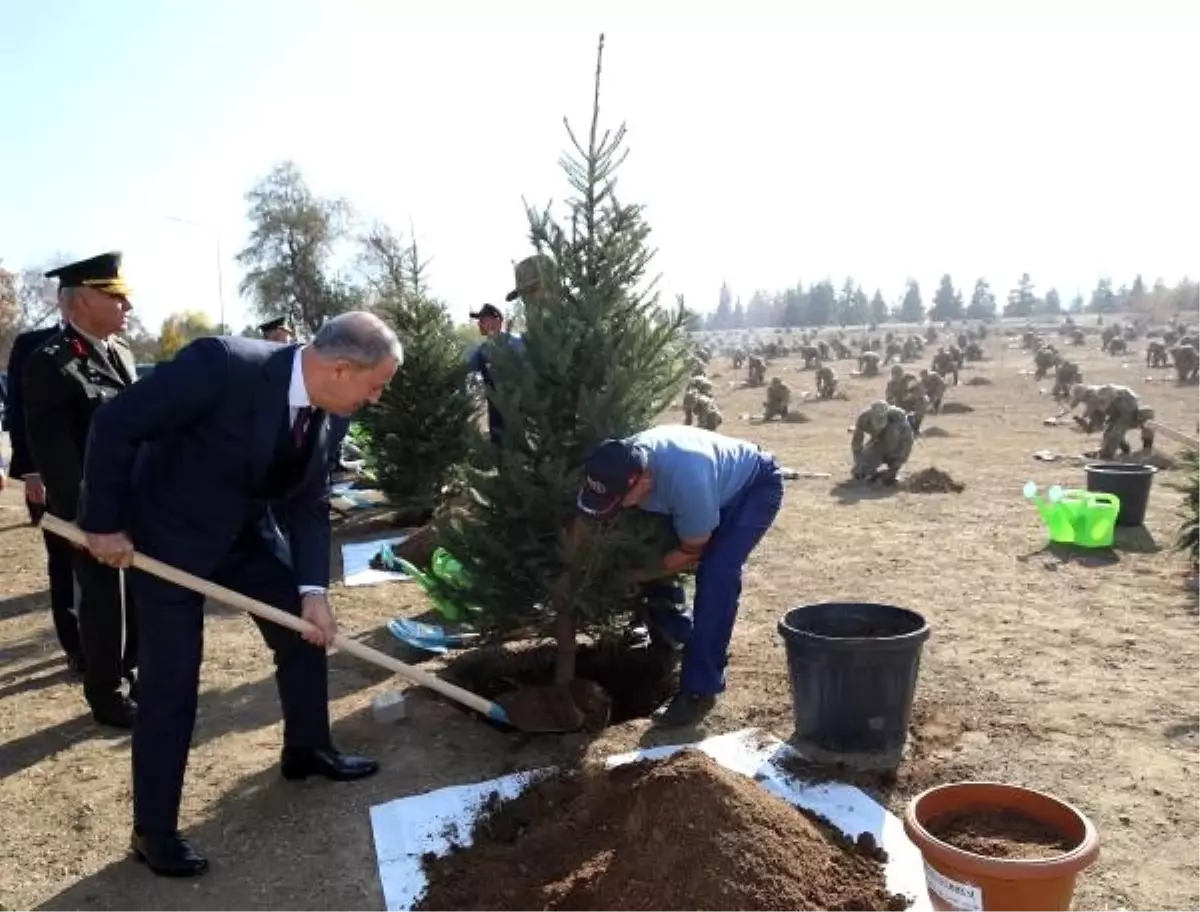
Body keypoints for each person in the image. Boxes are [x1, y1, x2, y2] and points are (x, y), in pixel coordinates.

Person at [77, 311, 400, 877]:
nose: (375, 399)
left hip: (245, 537)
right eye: (376, 386)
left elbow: (308, 503)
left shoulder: (332, 410)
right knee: (172, 680)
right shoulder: (222, 366)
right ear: (342, 368)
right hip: (169, 541)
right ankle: (153, 831)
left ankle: (307, 748)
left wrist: (312, 589)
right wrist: (102, 523)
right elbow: (117, 423)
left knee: (304, 632)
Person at [576, 425, 785, 727]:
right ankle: (675, 634)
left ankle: (700, 689)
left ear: (644, 481)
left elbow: (690, 552)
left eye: (620, 499)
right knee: (651, 548)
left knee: (717, 575)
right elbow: (586, 516)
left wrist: (635, 575)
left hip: (751, 490)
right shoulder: (618, 459)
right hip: (703, 486)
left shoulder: (687, 482)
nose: (617, 507)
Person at [23, 253, 139, 725]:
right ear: (82, 301)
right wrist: (88, 523)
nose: (127, 304)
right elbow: (57, 456)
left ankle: (130, 674)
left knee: (134, 596)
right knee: (102, 601)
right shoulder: (50, 363)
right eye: (115, 296)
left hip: (134, 500)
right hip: (93, 510)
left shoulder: (122, 353)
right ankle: (106, 693)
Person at [6, 317, 81, 672]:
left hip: (99, 478)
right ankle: (75, 646)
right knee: (63, 562)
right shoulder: (32, 344)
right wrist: (31, 471)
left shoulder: (114, 345)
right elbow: (20, 413)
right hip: (52, 477)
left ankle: (107, 648)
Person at [467, 303, 524, 445]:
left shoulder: (517, 344)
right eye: (479, 321)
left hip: (521, 408)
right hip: (496, 412)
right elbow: (465, 369)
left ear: (497, 321)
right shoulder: (483, 350)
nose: (479, 324)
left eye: (483, 320)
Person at [851, 400, 915, 485]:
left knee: (889, 476)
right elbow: (857, 443)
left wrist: (896, 466)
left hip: (893, 443)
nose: (879, 422)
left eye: (881, 419)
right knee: (860, 473)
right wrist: (859, 462)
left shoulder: (898, 419)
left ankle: (890, 467)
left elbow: (907, 442)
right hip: (877, 443)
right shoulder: (863, 418)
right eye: (877, 419)